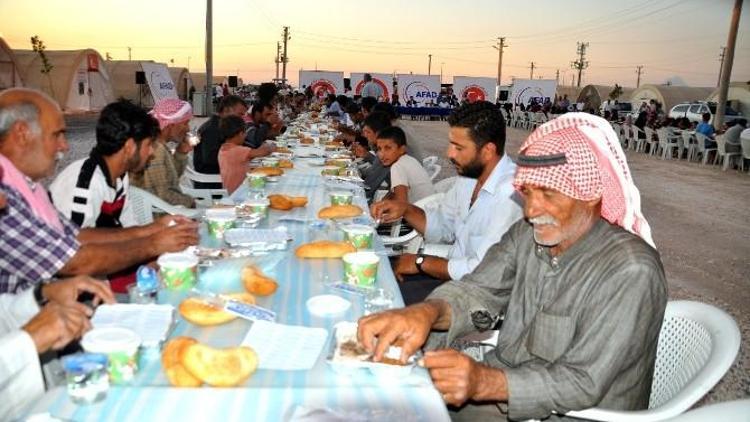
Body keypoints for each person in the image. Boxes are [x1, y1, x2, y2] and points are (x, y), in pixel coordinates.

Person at [359, 113, 666, 421]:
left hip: (571, 412)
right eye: (528, 193)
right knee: (382, 397)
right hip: (505, 382)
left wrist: (483, 382)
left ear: (590, 195)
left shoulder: (630, 270)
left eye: (548, 194)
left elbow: (582, 382)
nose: (531, 211)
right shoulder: (527, 235)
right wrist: (427, 313)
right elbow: (476, 290)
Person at [0, 88, 199, 295]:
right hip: (53, 305)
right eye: (57, 134)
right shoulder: (11, 194)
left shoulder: (31, 188)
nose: (65, 146)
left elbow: (76, 236)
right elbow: (73, 262)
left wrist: (153, 230)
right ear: (22, 133)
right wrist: (153, 243)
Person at [370, 102, 522, 304]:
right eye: (451, 144)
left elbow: (481, 271)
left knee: (381, 298)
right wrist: (405, 209)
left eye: (458, 147)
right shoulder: (469, 178)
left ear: (488, 150)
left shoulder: (510, 194)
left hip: (478, 297)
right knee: (374, 271)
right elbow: (442, 227)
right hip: (452, 279)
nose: (449, 154)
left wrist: (419, 262)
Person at [50, 100, 158, 228]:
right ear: (130, 147)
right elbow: (73, 242)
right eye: (149, 144)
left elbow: (128, 226)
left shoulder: (120, 178)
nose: (152, 152)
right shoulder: (86, 183)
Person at [130, 98, 195, 207]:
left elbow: (170, 179)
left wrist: (181, 152)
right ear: (171, 125)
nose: (188, 129)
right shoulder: (156, 149)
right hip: (160, 217)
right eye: (185, 123)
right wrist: (191, 202)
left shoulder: (159, 145)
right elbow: (164, 195)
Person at [193, 95, 247, 183]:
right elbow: (210, 159)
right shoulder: (211, 129)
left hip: (222, 174)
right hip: (212, 181)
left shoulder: (222, 126)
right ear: (226, 110)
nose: (242, 119)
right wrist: (240, 155)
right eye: (240, 114)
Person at [375, 126, 434, 203]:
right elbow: (393, 192)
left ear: (402, 150)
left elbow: (401, 204)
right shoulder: (409, 160)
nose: (381, 155)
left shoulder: (397, 166)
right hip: (430, 208)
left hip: (420, 211)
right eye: (379, 149)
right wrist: (382, 202)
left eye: (388, 148)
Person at [218, 115, 271, 194]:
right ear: (240, 133)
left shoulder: (224, 148)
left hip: (231, 190)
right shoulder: (237, 151)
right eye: (244, 133)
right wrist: (269, 146)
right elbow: (262, 152)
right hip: (239, 192)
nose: (245, 136)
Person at [360, 111, 392, 200]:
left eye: (368, 132)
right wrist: (367, 155)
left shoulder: (386, 153)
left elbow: (368, 188)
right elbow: (379, 168)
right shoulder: (392, 144)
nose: (365, 135)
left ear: (378, 133)